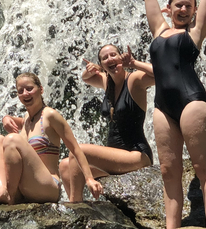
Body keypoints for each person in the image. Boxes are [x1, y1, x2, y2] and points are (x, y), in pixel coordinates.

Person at [145, 0, 206, 229]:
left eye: (187, 6)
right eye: (177, 5)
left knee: (203, 168)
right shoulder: (159, 30)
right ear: (169, 9)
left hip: (192, 101)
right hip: (162, 106)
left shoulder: (195, 32)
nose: (183, 9)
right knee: (168, 170)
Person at [0, 72, 103, 205]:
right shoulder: (26, 119)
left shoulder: (50, 115)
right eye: (20, 91)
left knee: (12, 139)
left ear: (41, 89)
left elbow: (75, 148)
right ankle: (2, 189)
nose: (25, 94)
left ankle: (10, 196)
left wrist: (89, 179)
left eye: (29, 89)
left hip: (48, 186)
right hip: (26, 187)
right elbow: (15, 121)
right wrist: (6, 118)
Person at [60, 44, 154, 202]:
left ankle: (75, 207)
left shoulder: (134, 80)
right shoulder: (107, 82)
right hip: (116, 159)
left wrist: (133, 63)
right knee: (64, 166)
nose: (110, 59)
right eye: (105, 58)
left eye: (113, 55)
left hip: (136, 156)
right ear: (102, 65)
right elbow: (86, 78)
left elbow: (162, 73)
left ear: (120, 57)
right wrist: (89, 70)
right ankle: (79, 205)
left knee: (79, 150)